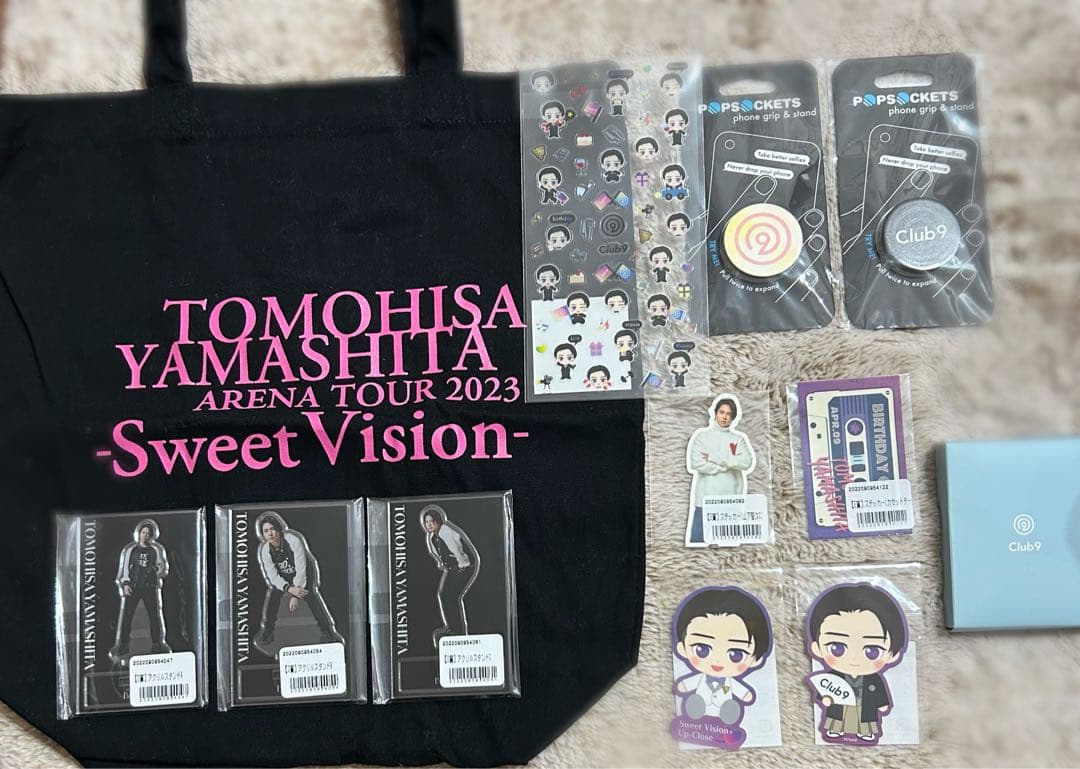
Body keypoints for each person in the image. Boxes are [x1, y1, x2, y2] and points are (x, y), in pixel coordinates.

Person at [806, 583, 907, 743]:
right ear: (817, 648)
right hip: (840, 707)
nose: (854, 659)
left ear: (892, 655)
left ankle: (865, 732)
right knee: (837, 718)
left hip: (864, 708)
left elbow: (879, 692)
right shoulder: (833, 676)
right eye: (837, 648)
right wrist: (825, 699)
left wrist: (882, 704)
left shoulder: (874, 679)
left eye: (872, 651)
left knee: (865, 720)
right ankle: (835, 729)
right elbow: (826, 687)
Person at [672, 586, 772, 745]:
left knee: (729, 707)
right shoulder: (699, 678)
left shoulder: (731, 683)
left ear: (755, 659)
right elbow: (684, 686)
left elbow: (744, 693)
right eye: (702, 649)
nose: (718, 662)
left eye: (736, 654)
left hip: (724, 712)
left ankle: (728, 714)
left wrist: (746, 695)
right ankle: (696, 710)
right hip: (698, 723)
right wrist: (683, 686)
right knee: (696, 703)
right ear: (682, 648)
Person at [254, 511, 344, 650]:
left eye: (272, 529)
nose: (270, 533)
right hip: (285, 577)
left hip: (304, 572)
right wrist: (289, 588)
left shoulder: (292, 540)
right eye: (266, 531)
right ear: (263, 534)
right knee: (273, 597)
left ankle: (328, 632)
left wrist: (296, 595)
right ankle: (268, 630)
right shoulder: (265, 550)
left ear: (278, 529)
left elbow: (301, 568)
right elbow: (273, 576)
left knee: (311, 596)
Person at [685, 395, 757, 546]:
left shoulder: (738, 439)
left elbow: (746, 462)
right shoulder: (702, 437)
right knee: (698, 546)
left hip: (730, 500)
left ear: (733, 418)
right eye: (722, 412)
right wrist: (728, 465)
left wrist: (714, 457)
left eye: (729, 414)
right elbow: (696, 463)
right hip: (705, 500)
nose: (725, 417)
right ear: (715, 413)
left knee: (727, 548)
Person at [110, 519, 170, 662]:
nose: (145, 535)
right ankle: (123, 645)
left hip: (150, 587)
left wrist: (155, 570)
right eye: (143, 532)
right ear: (139, 534)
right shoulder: (131, 550)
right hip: (134, 587)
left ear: (151, 536)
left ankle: (157, 644)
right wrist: (125, 583)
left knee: (154, 616)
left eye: (148, 533)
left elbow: (161, 567)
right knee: (127, 616)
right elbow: (125, 568)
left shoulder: (154, 550)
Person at [422, 505, 479, 647]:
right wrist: (443, 564)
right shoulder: (432, 537)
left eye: (431, 521)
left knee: (450, 596)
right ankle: (452, 628)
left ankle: (457, 631)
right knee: (444, 595)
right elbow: (437, 553)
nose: (428, 525)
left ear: (438, 521)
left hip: (465, 565)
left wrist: (462, 565)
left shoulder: (445, 531)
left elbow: (456, 548)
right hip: (454, 567)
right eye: (426, 522)